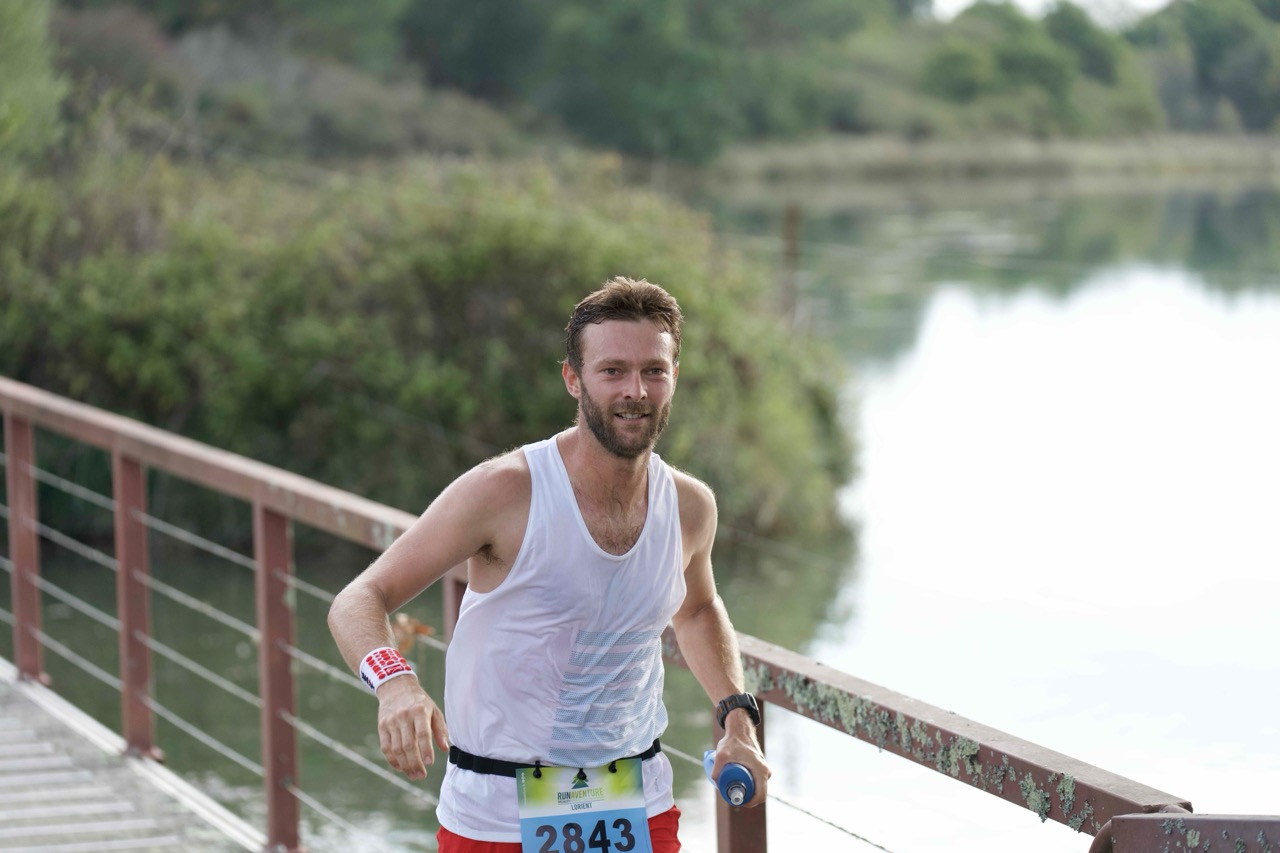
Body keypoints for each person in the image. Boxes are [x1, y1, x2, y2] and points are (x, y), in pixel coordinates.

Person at [328, 276, 770, 852]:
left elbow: (698, 608)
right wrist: (395, 685)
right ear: (573, 379)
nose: (635, 390)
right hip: (498, 817)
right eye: (612, 371)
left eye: (653, 371)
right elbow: (358, 599)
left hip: (636, 808)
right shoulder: (504, 491)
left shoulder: (690, 507)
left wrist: (737, 716)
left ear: (674, 377)